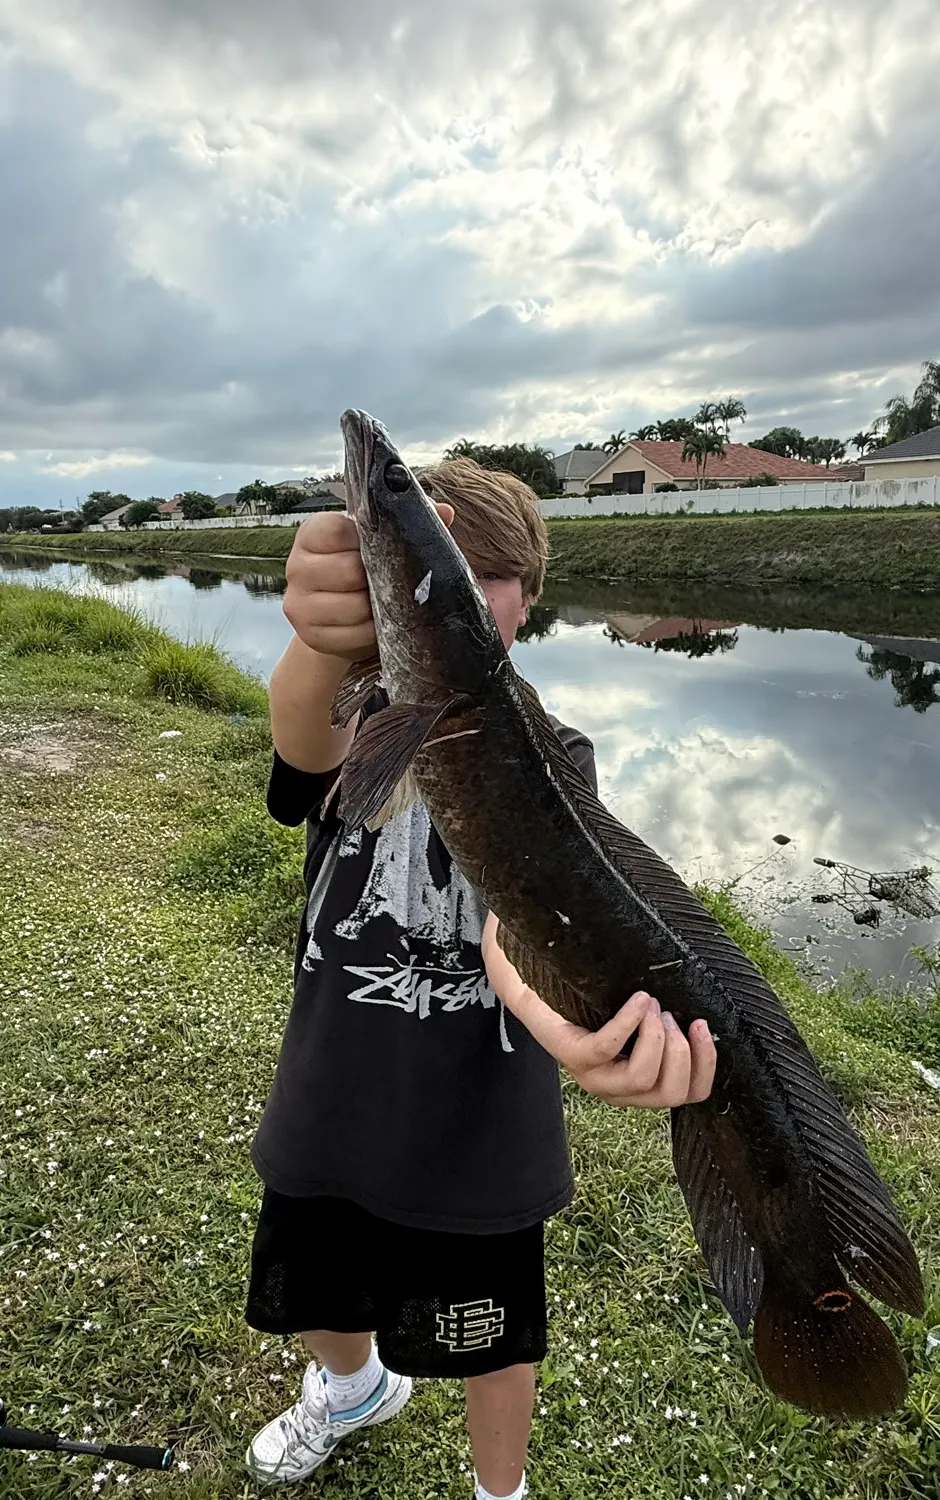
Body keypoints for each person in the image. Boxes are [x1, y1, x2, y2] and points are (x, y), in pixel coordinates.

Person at [242, 458, 717, 1499]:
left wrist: (578, 1040)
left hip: (481, 1115)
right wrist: (317, 636)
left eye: (492, 575)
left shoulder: (556, 756)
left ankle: (499, 1492)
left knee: (495, 1341)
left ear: (528, 605)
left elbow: (519, 937)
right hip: (335, 1076)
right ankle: (356, 1387)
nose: (471, 590)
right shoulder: (361, 715)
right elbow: (296, 740)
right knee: (316, 1282)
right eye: (448, 566)